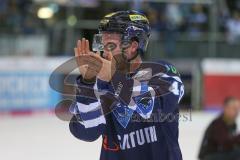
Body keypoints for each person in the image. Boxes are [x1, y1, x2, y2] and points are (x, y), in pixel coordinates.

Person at [69, 10, 184, 160]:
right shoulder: (100, 82)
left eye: (110, 45)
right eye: (101, 43)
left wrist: (113, 77)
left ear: (132, 46)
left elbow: (151, 107)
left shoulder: (162, 72)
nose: (104, 52)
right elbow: (87, 132)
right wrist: (88, 84)